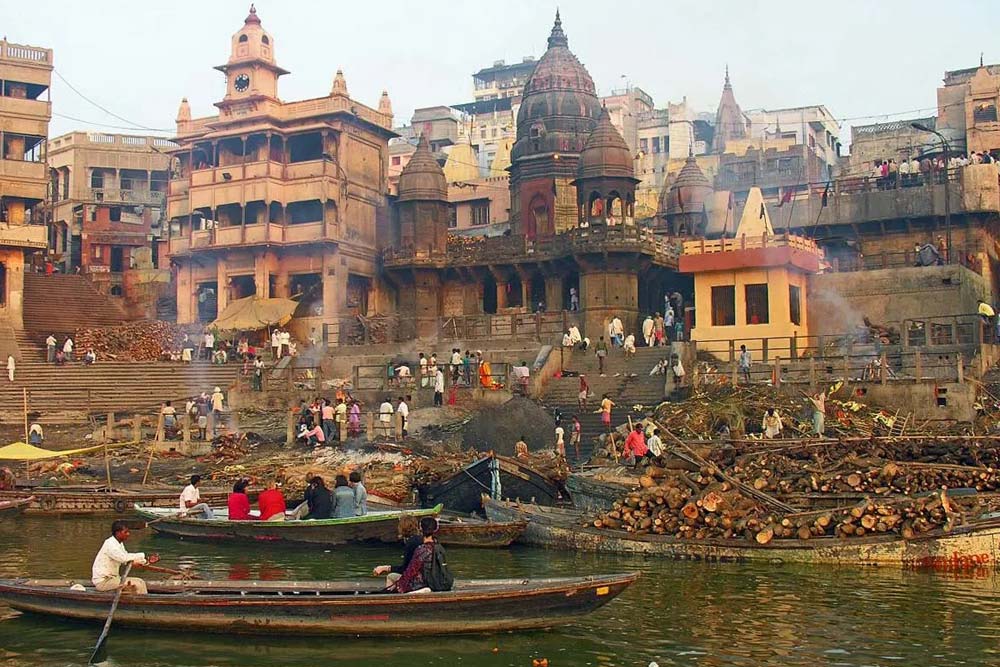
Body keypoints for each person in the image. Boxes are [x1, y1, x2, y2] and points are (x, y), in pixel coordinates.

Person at [92, 520, 159, 595]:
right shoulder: (110, 545)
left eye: (128, 532)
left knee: (141, 581)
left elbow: (127, 559)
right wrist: (143, 555)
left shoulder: (119, 544)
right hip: (104, 582)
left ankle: (142, 602)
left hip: (113, 579)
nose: (128, 534)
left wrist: (147, 561)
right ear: (118, 533)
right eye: (125, 532)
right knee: (138, 585)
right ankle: (141, 604)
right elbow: (124, 558)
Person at [389, 517, 451, 594]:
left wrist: (398, 585)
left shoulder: (421, 549)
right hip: (438, 581)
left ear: (421, 528)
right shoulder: (439, 547)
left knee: (393, 587)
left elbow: (411, 570)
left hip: (424, 583)